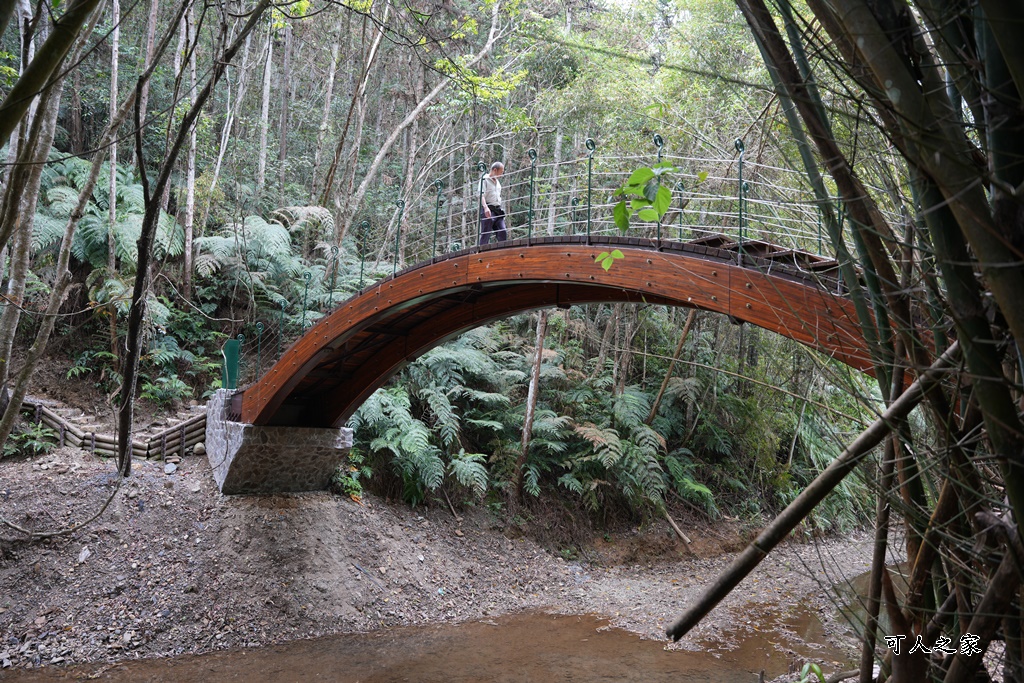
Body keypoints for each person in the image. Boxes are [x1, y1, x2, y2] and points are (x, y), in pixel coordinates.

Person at [479, 161, 507, 244]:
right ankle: (481, 253)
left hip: (498, 210)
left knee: (502, 231)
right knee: (486, 233)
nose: (502, 174)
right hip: (488, 208)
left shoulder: (498, 182)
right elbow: (481, 195)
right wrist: (485, 208)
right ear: (495, 170)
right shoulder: (484, 179)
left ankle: (503, 250)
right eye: (501, 172)